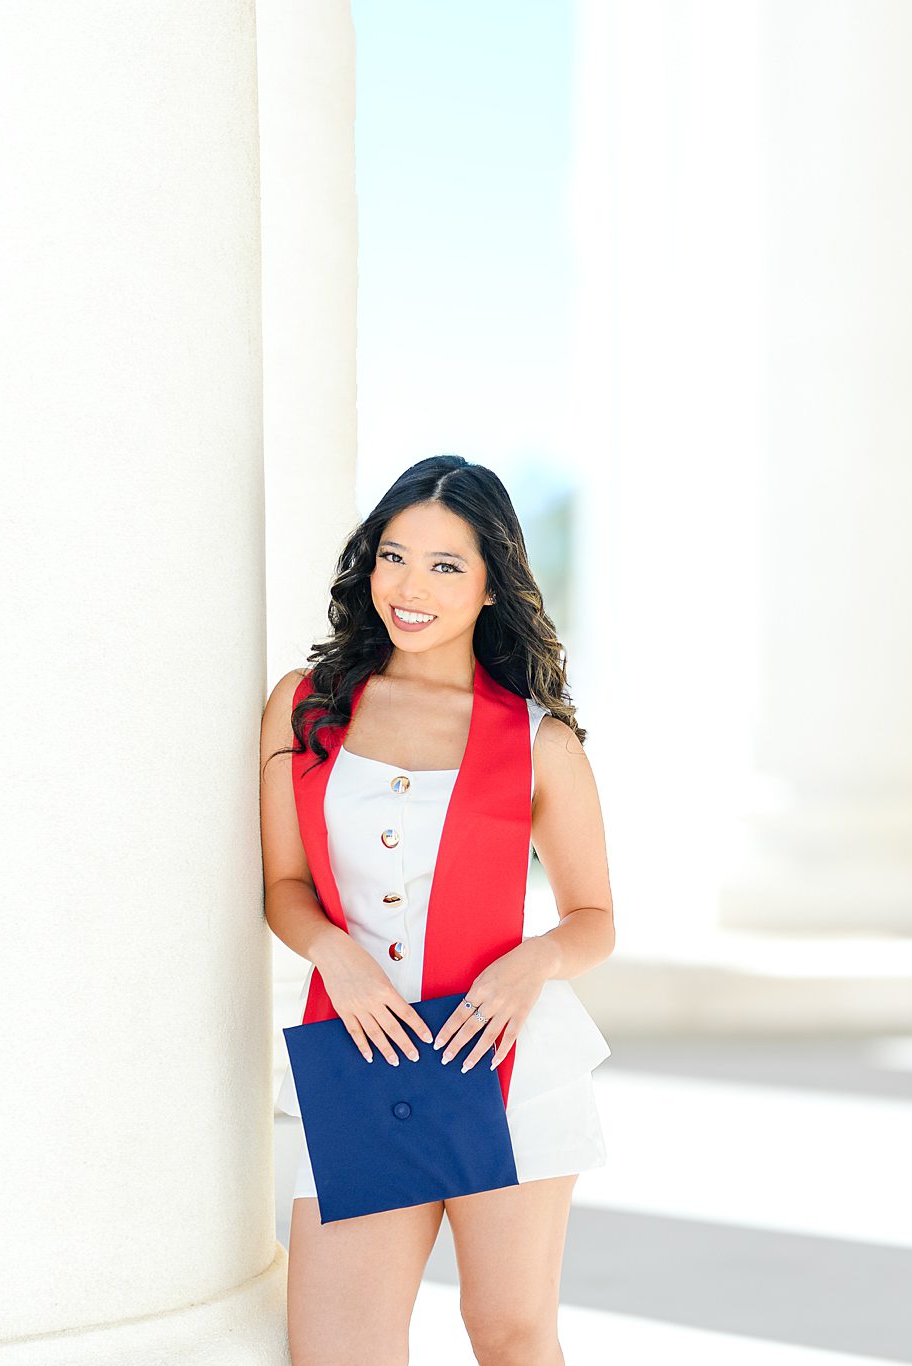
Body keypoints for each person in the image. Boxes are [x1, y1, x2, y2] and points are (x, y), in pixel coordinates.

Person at [259, 454, 617, 1365]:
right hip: (361, 1054)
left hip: (504, 1058)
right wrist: (334, 956)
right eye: (393, 556)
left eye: (446, 566)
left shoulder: (541, 739)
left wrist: (531, 962)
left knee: (509, 1333)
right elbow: (284, 887)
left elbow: (593, 917)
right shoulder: (304, 709)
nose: (410, 588)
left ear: (493, 583)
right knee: (338, 1349)